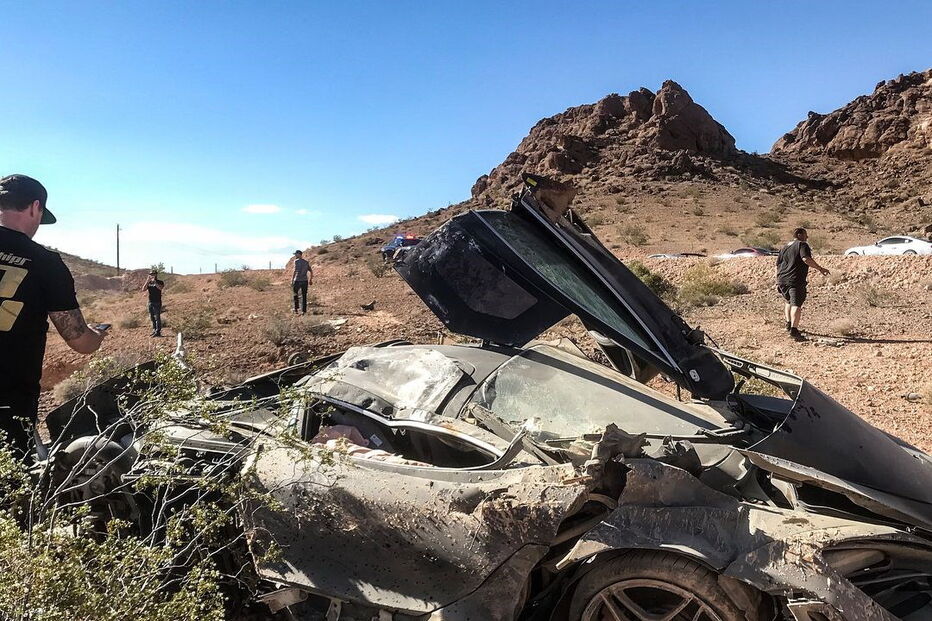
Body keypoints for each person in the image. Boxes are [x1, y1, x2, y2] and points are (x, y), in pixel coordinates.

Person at [0, 174, 106, 458]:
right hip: (9, 402)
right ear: (35, 207)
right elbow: (79, 340)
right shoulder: (46, 263)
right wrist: (98, 336)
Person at [776, 227, 830, 341]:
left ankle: (788, 324)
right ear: (800, 235)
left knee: (788, 301)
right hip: (795, 280)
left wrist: (778, 279)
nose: (807, 237)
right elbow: (806, 259)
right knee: (796, 304)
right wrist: (820, 268)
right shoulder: (802, 245)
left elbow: (778, 264)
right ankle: (794, 331)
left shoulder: (784, 247)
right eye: (806, 235)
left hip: (782, 279)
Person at [142, 269, 164, 337]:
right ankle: (154, 330)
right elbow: (143, 289)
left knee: (157, 317)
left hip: (157, 302)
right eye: (151, 274)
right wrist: (147, 281)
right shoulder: (149, 283)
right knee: (152, 317)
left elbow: (160, 288)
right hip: (150, 302)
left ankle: (158, 331)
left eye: (153, 274)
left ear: (156, 275)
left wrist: (155, 282)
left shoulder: (160, 282)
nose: (152, 275)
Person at [291, 250, 311, 315]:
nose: (295, 255)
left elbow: (295, 270)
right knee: (304, 295)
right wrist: (310, 279)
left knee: (295, 294)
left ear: (299, 254)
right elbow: (311, 271)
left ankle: (296, 309)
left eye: (296, 254)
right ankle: (303, 311)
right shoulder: (306, 262)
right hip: (305, 281)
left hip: (297, 280)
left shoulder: (296, 261)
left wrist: (292, 280)